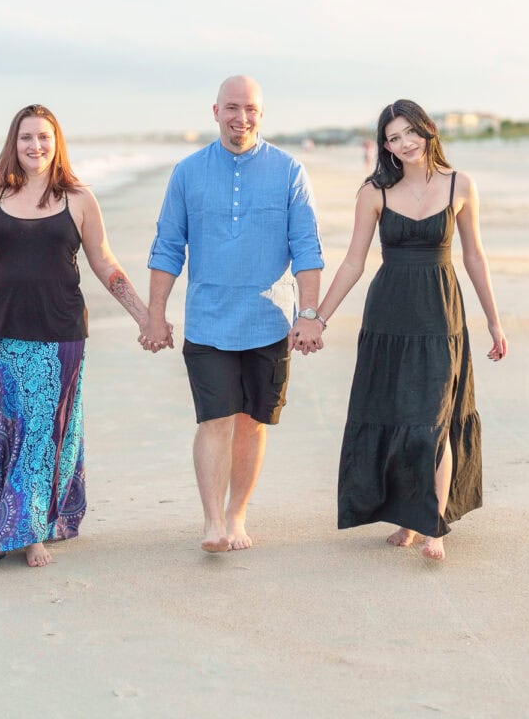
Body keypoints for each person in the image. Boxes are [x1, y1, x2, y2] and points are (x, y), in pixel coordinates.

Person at [0, 104, 152, 567]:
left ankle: (30, 530)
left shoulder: (78, 198)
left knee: (40, 432)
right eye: (26, 137)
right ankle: (4, 521)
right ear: (13, 143)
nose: (35, 146)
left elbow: (105, 264)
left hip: (57, 335)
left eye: (44, 137)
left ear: (57, 144)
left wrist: (145, 316)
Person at [297, 99, 508, 561]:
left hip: (440, 315)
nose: (404, 143)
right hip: (389, 315)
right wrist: (317, 318)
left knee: (432, 419)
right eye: (393, 137)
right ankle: (408, 519)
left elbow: (474, 256)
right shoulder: (374, 191)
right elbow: (353, 261)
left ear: (427, 131)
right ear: (385, 146)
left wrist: (493, 320)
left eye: (410, 132)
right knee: (397, 416)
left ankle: (432, 525)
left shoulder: (461, 185)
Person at [140, 75, 324, 553]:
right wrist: (154, 314)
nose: (241, 118)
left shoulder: (288, 171)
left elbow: (306, 248)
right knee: (215, 419)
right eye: (232, 108)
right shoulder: (187, 172)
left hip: (270, 321)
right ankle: (212, 521)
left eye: (251, 109)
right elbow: (167, 248)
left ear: (261, 114)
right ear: (215, 110)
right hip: (208, 320)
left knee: (252, 421)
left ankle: (238, 514)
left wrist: (308, 313)